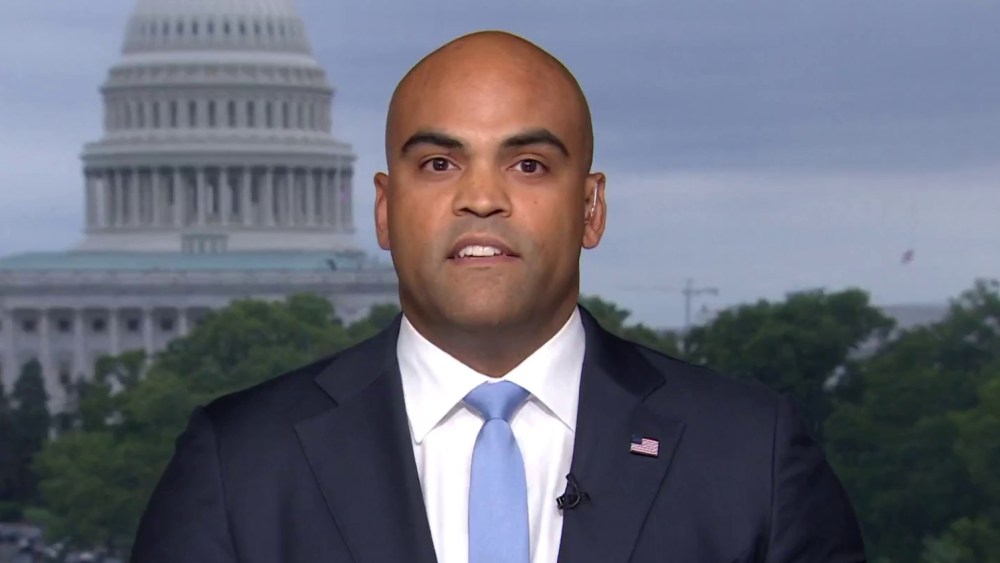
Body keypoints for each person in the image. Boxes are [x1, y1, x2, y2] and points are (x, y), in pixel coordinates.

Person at [130, 31, 866, 563]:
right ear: (384, 209)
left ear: (591, 209)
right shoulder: (241, 461)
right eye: (439, 163)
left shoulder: (750, 454)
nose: (482, 198)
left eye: (528, 164)